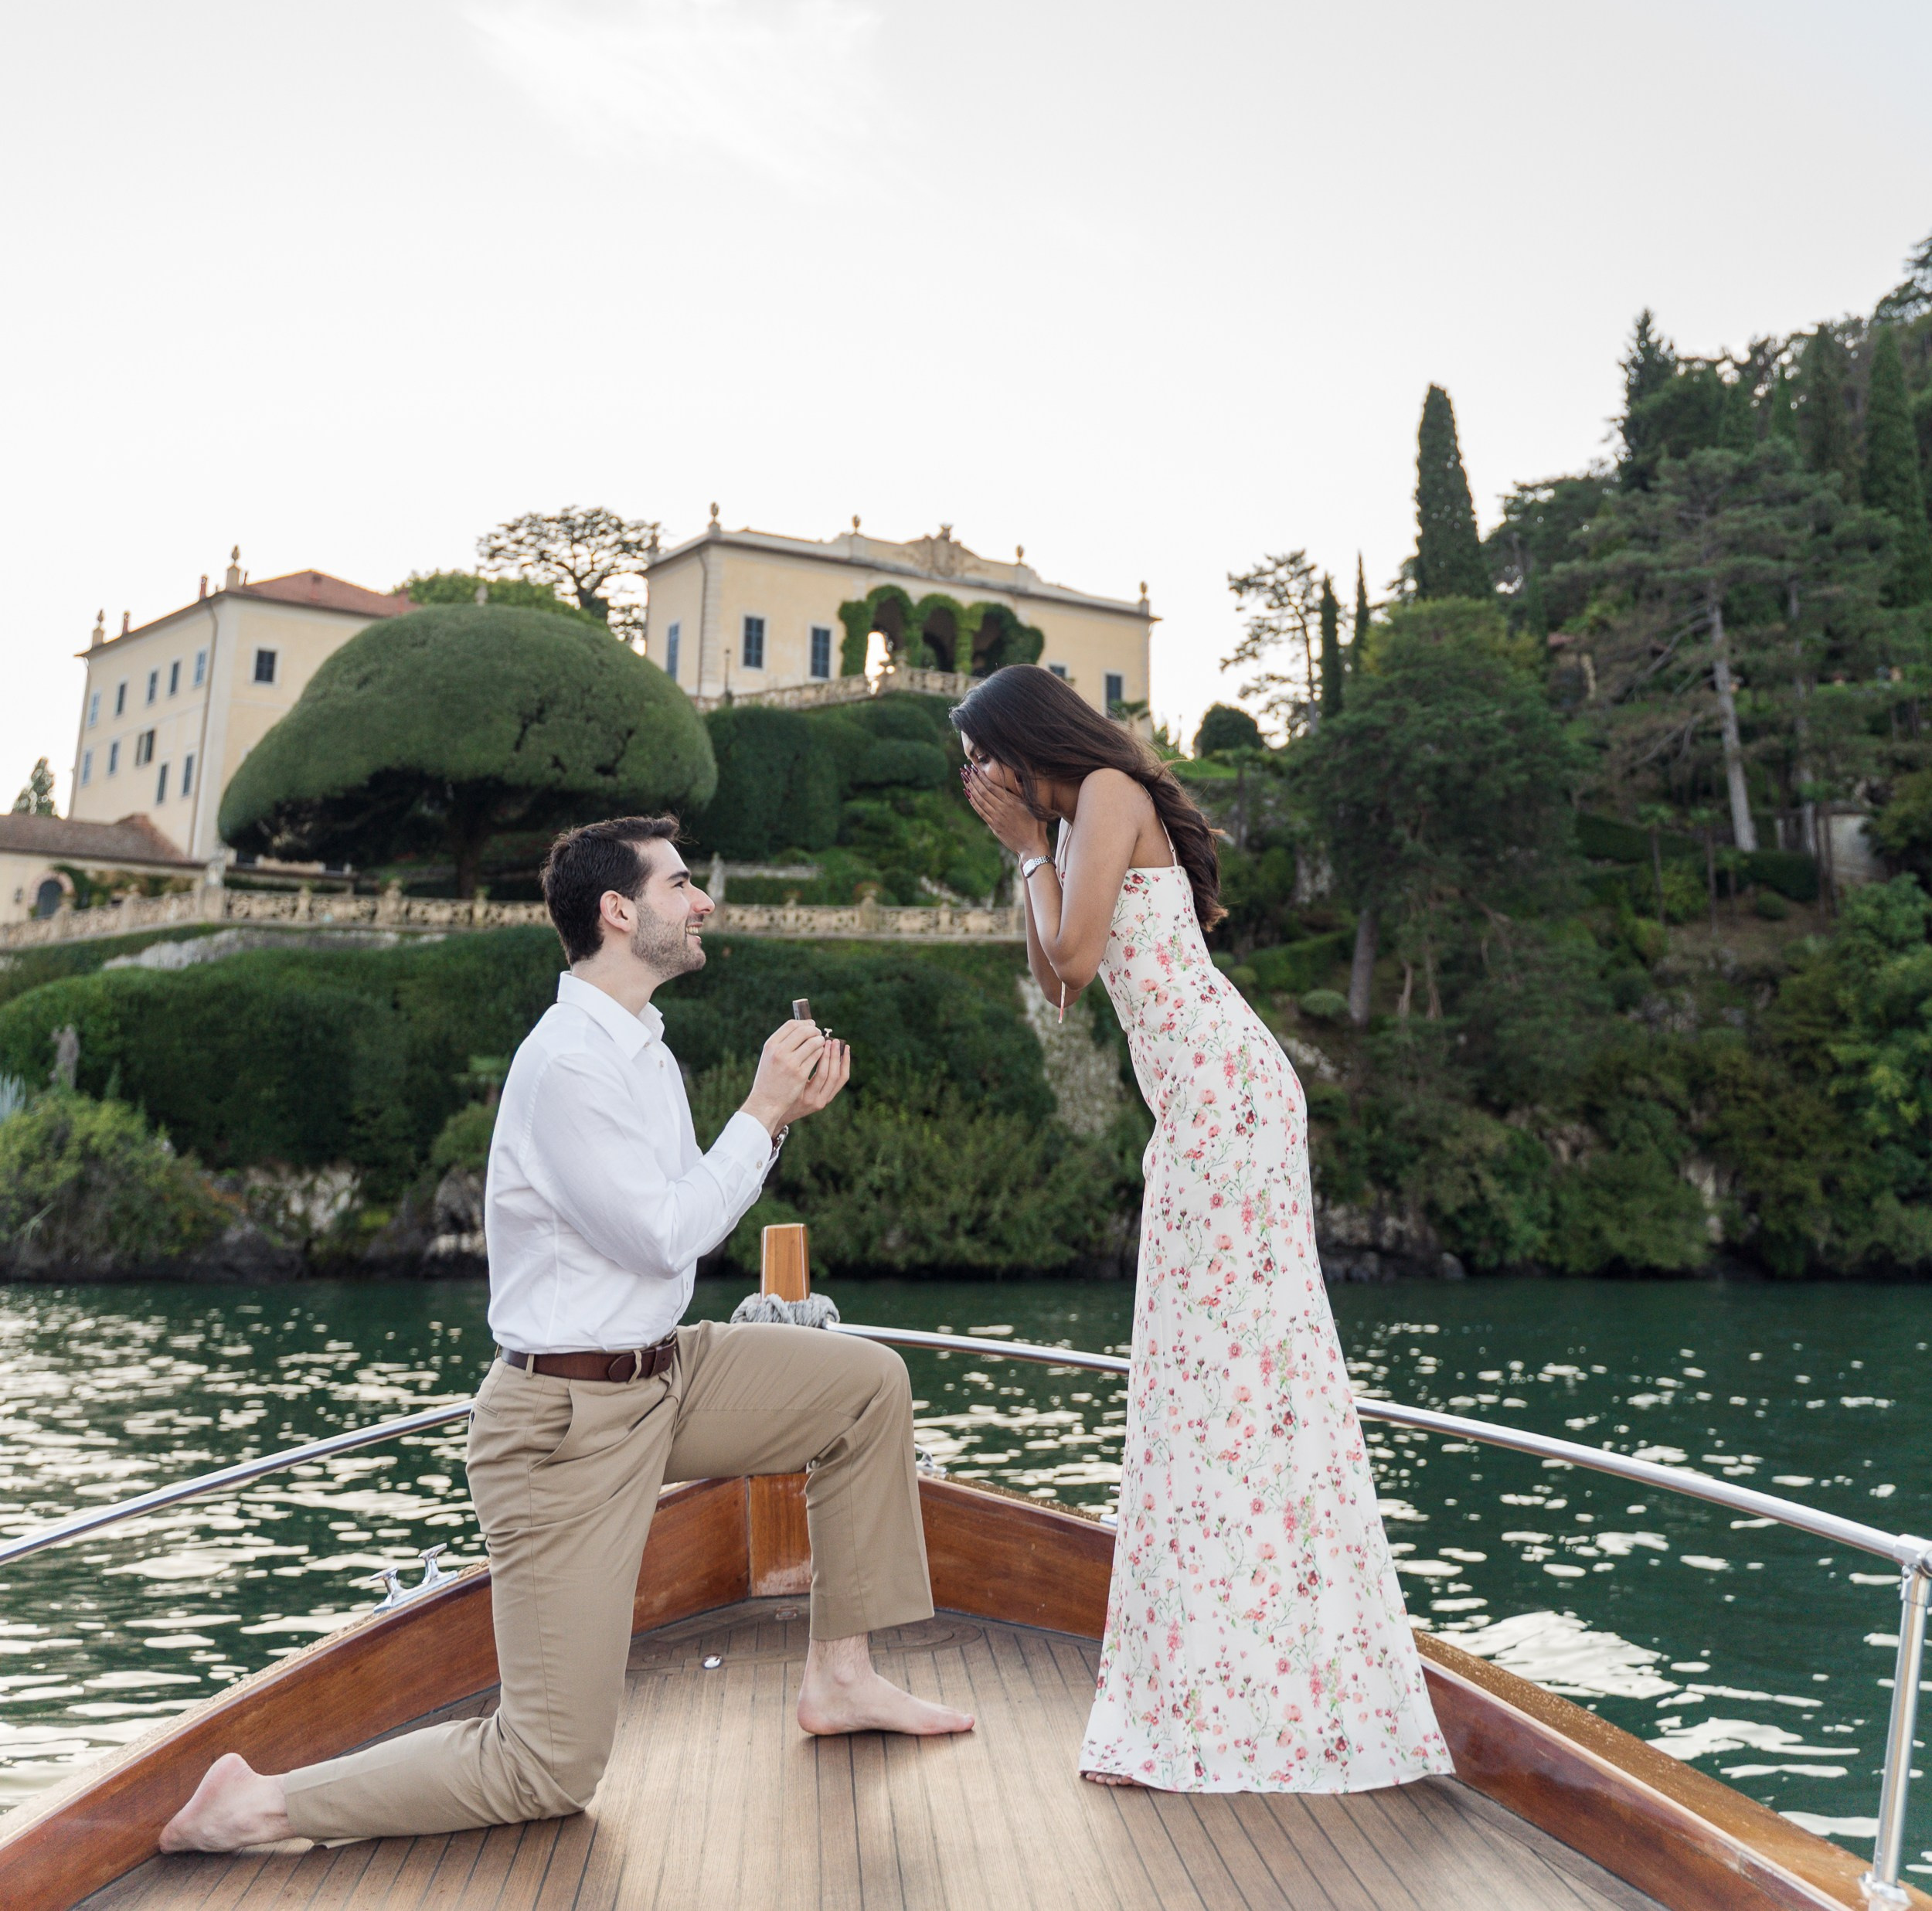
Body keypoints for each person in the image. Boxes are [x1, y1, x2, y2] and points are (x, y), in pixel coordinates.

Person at [161, 812, 970, 1855]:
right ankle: (258, 1804)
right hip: (562, 1423)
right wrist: (764, 1112)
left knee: (866, 1387)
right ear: (619, 911)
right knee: (549, 1766)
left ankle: (842, 1678)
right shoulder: (568, 1069)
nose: (704, 900)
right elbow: (662, 1232)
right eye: (682, 884)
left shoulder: (643, 1047)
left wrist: (771, 1119)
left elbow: (671, 1240)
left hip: (665, 1373)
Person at [955, 667, 1450, 1797]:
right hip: (1199, 1111)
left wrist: (1034, 845)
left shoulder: (1112, 796)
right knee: (1200, 1385)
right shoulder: (1074, 821)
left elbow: (1073, 958)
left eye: (983, 754)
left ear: (1025, 740)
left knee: (1235, 1383)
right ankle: (1219, 1675)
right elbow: (1061, 985)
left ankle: (1268, 1686)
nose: (975, 778)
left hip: (1230, 1099)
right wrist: (1029, 849)